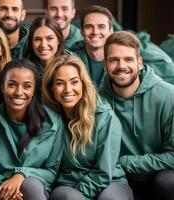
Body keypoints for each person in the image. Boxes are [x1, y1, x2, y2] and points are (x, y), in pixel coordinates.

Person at [42, 55, 132, 200]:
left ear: (83, 84)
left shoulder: (105, 117)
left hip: (110, 183)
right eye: (60, 83)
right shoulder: (48, 118)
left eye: (74, 82)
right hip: (68, 186)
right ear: (51, 87)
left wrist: (82, 193)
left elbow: (104, 172)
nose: (68, 89)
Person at [100, 31, 174, 200]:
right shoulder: (97, 100)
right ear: (105, 65)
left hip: (160, 175)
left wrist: (127, 162)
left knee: (170, 183)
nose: (121, 66)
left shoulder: (169, 96)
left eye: (128, 59)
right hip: (118, 177)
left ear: (139, 62)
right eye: (114, 60)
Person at [0, 59, 65, 200]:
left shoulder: (52, 123)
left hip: (37, 190)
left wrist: (22, 174)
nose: (19, 92)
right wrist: (6, 188)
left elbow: (51, 172)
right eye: (12, 85)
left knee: (31, 185)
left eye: (27, 86)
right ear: (2, 87)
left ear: (33, 90)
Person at [71, 5, 114, 87]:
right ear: (81, 32)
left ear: (110, 31)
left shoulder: (121, 60)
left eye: (101, 27)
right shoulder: (69, 58)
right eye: (89, 27)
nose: (95, 32)